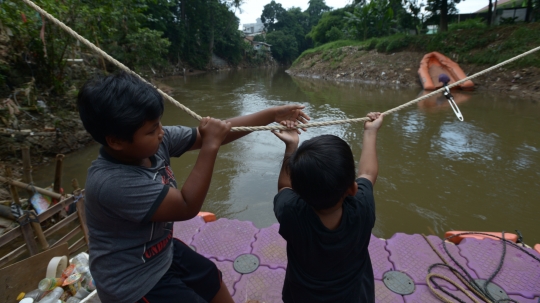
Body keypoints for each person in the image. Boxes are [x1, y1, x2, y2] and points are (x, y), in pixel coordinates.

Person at [77, 71, 310, 303]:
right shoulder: (112, 183)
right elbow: (187, 205)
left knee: (211, 278)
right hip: (134, 282)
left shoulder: (154, 144)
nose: (161, 133)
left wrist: (271, 114)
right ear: (115, 141)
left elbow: (213, 133)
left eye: (158, 124)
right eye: (151, 130)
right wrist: (210, 145)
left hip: (161, 253)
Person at [272, 112, 384, 303]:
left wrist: (291, 147)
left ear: (299, 192)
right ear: (352, 188)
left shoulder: (291, 213)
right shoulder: (362, 207)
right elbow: (367, 173)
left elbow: (284, 187)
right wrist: (370, 132)